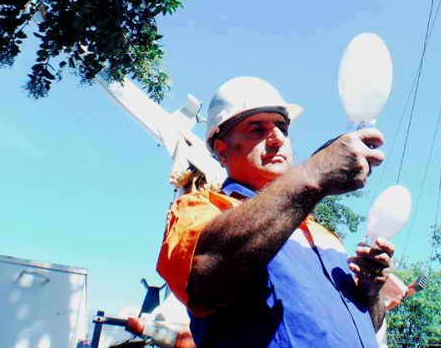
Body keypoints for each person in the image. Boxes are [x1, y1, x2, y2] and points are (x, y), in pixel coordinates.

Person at [157, 77, 395, 347]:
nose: (277, 139)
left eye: (282, 128)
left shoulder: (322, 234)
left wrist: (372, 291)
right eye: (257, 129)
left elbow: (366, 326)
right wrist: (313, 173)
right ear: (222, 151)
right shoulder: (201, 207)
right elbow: (203, 275)